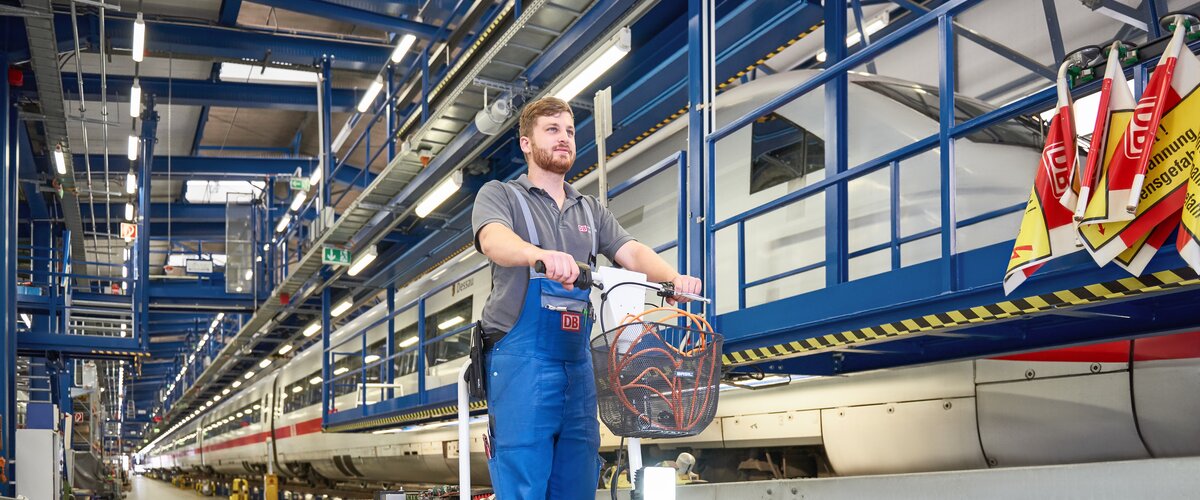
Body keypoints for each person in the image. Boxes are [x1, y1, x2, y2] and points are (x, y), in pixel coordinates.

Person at [471, 96, 702, 499]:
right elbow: (493, 240)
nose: (564, 139)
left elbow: (631, 252)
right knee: (523, 478)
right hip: (519, 363)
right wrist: (537, 255)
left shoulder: (590, 209)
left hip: (577, 364)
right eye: (552, 130)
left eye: (570, 131)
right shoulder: (502, 195)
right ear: (526, 143)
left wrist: (673, 278)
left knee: (578, 476)